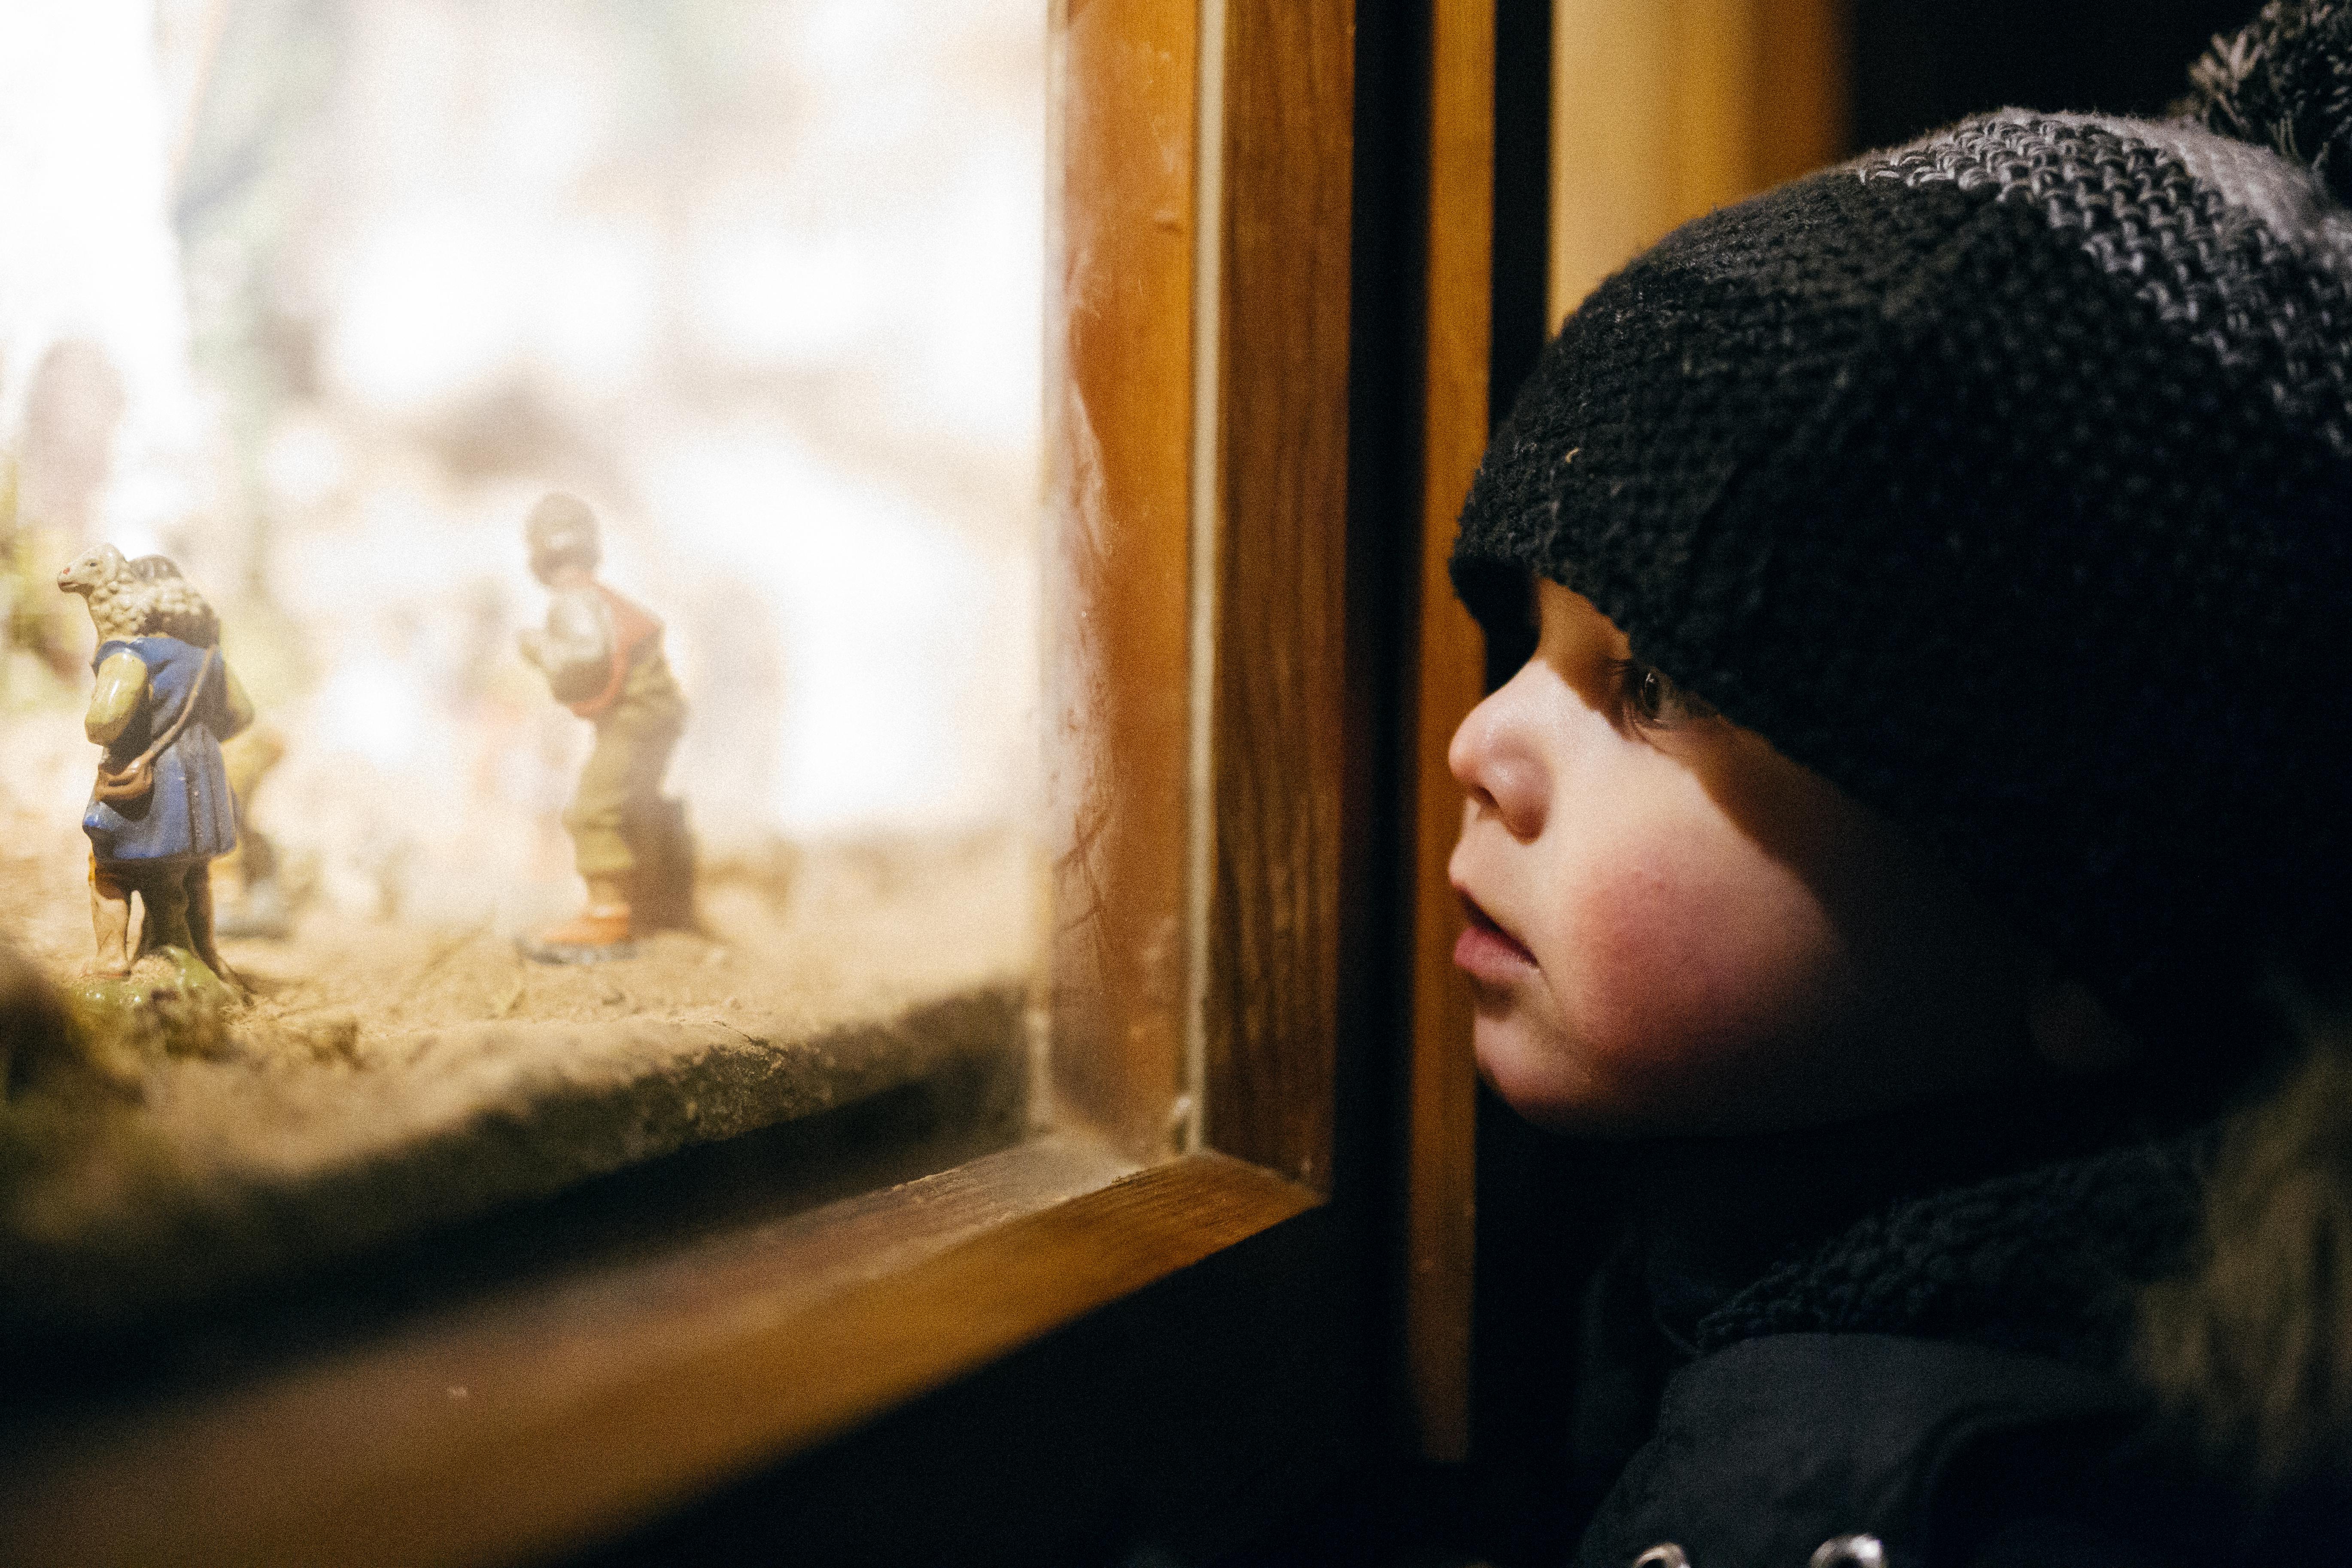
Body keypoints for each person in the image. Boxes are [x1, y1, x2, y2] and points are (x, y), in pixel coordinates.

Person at [1445, 4, 2352, 1562]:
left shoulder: (1963, 1506)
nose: (1483, 746)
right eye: (1536, 641)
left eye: (1651, 683)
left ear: (2082, 934)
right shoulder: (1743, 1249)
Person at [516, 491, 694, 961]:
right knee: (638, 808)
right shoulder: (594, 596)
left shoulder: (574, 600)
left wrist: (538, 648)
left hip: (637, 716)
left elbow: (583, 660)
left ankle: (607, 918)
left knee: (595, 809)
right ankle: (653, 905)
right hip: (652, 714)